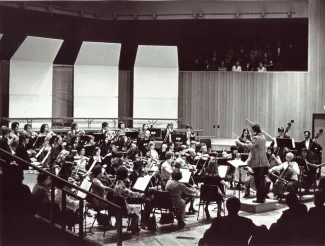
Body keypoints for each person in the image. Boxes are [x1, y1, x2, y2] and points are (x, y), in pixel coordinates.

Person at [235, 124, 269, 203]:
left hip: (258, 163)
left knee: (258, 181)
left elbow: (248, 147)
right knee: (261, 181)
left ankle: (259, 199)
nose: (250, 132)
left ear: (254, 131)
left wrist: (238, 142)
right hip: (264, 162)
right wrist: (249, 142)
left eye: (251, 131)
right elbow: (256, 147)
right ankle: (262, 197)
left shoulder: (256, 138)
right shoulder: (263, 137)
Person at [114, 167, 145, 235]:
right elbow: (131, 194)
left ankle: (132, 226)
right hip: (123, 208)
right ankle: (133, 227)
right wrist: (141, 194)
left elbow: (127, 193)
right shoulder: (121, 186)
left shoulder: (117, 183)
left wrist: (129, 185)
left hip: (118, 206)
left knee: (134, 207)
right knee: (137, 208)